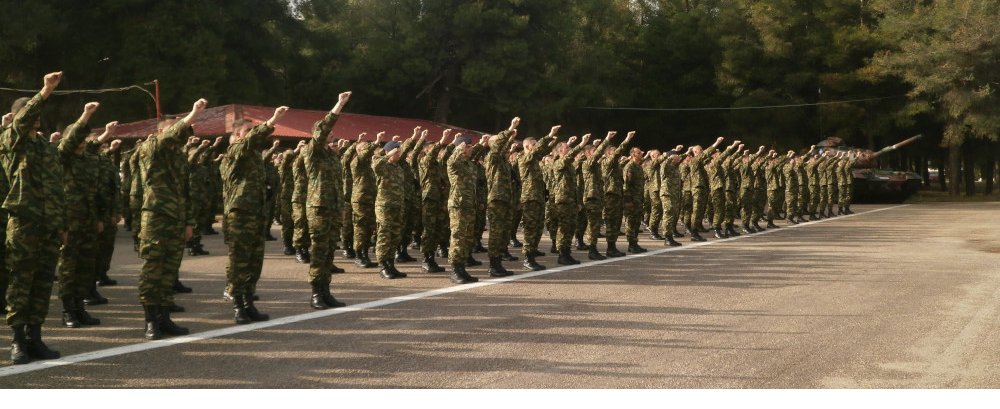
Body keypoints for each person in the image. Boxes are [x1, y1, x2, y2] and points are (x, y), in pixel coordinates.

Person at [2, 72, 68, 363]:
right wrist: (44, 91)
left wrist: (62, 223)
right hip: (24, 222)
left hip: (48, 224)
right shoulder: (11, 141)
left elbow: (57, 187)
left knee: (42, 282)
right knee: (21, 282)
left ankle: (35, 338)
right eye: (31, 111)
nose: (37, 117)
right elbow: (22, 122)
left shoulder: (45, 148)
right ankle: (17, 341)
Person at [136, 98, 208, 340]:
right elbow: (169, 137)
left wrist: (188, 222)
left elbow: (184, 191)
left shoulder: (178, 157)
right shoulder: (150, 148)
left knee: (169, 271)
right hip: (156, 217)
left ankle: (164, 317)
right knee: (153, 269)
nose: (180, 135)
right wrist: (193, 113)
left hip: (176, 218)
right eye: (175, 129)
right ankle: (150, 320)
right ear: (159, 131)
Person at [220, 106, 288, 323]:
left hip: (256, 213)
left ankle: (249, 303)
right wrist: (272, 120)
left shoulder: (255, 157)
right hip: (240, 214)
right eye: (249, 131)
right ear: (239, 135)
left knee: (254, 261)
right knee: (240, 261)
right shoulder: (235, 151)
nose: (253, 134)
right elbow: (249, 142)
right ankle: (238, 305)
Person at [56, 111, 112, 328]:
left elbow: (96, 191)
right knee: (69, 267)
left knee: (86, 266)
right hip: (70, 221)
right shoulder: (62, 157)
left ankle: (80, 307)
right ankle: (68, 310)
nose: (81, 141)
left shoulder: (90, 160)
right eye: (77, 137)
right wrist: (85, 116)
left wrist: (99, 218)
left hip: (89, 220)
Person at [302, 92, 353, 309]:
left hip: (332, 208)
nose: (331, 136)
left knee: (330, 249)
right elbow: (323, 128)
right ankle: (315, 293)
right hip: (319, 208)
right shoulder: (312, 152)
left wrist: (341, 207)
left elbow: (338, 184)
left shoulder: (333, 156)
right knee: (319, 250)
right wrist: (339, 104)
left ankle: (326, 290)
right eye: (327, 133)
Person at [516, 125, 559, 271]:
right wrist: (548, 135)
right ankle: (528, 258)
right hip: (530, 198)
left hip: (538, 197)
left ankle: (532, 251)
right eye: (533, 145)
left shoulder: (534, 160)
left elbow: (542, 151)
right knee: (530, 228)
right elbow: (538, 150)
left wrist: (551, 143)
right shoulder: (523, 157)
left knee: (538, 227)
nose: (536, 147)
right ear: (527, 146)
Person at [446, 135, 487, 284]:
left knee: (467, 239)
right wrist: (458, 148)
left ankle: (462, 268)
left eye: (470, 147)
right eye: (467, 147)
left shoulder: (469, 164)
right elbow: (451, 160)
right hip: (458, 206)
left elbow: (475, 153)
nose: (470, 149)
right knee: (458, 238)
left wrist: (481, 144)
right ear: (461, 149)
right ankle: (455, 270)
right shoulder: (454, 163)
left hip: (470, 206)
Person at [484, 117, 521, 277]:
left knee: (504, 232)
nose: (506, 150)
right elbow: (499, 146)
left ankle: (498, 262)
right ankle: (493, 265)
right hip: (497, 201)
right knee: (497, 233)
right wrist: (510, 127)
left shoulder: (504, 162)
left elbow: (503, 147)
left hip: (506, 200)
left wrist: (511, 137)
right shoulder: (492, 158)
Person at [373, 133, 412, 279]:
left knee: (395, 236)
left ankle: (390, 263)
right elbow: (376, 165)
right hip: (385, 206)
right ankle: (383, 265)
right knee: (384, 235)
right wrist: (387, 154)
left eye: (399, 152)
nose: (399, 154)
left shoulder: (398, 168)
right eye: (397, 152)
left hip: (397, 206)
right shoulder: (382, 165)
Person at [418, 129, 453, 273]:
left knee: (438, 229)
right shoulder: (425, 161)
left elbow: (446, 155)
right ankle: (426, 259)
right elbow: (433, 153)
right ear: (427, 151)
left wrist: (452, 144)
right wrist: (443, 139)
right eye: (433, 149)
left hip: (439, 198)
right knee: (429, 230)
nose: (438, 151)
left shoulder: (438, 164)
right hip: (430, 199)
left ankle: (432, 257)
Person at [552, 135, 589, 264]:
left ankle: (567, 253)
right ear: (560, 151)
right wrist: (582, 144)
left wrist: (578, 202)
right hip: (563, 200)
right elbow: (568, 158)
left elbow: (575, 186)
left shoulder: (570, 166)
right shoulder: (558, 163)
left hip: (571, 200)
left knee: (571, 227)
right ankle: (562, 254)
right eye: (567, 147)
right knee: (564, 227)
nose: (569, 149)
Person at [600, 131, 636, 257]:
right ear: (609, 153)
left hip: (617, 196)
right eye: (614, 151)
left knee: (616, 222)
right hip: (610, 196)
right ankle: (610, 248)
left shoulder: (615, 166)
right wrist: (627, 139)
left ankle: (613, 246)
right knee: (611, 222)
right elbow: (617, 154)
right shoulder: (607, 163)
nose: (617, 154)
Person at [622, 147, 647, 253]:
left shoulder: (638, 167)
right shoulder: (629, 167)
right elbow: (626, 185)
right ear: (633, 155)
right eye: (638, 152)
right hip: (631, 199)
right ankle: (631, 244)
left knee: (636, 222)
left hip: (638, 198)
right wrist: (628, 200)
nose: (641, 153)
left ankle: (635, 243)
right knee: (631, 222)